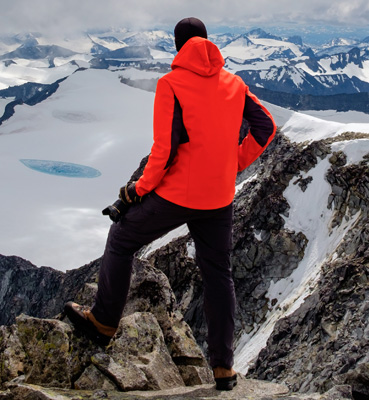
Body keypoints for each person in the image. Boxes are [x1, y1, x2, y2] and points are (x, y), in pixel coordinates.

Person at [64, 17, 276, 391]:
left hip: (178, 195)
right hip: (219, 197)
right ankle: (224, 368)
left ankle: (104, 320)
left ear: (178, 47)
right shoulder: (235, 83)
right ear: (208, 44)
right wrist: (234, 163)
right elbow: (266, 127)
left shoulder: (171, 84)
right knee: (218, 274)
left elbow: (163, 152)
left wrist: (137, 190)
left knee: (122, 238)